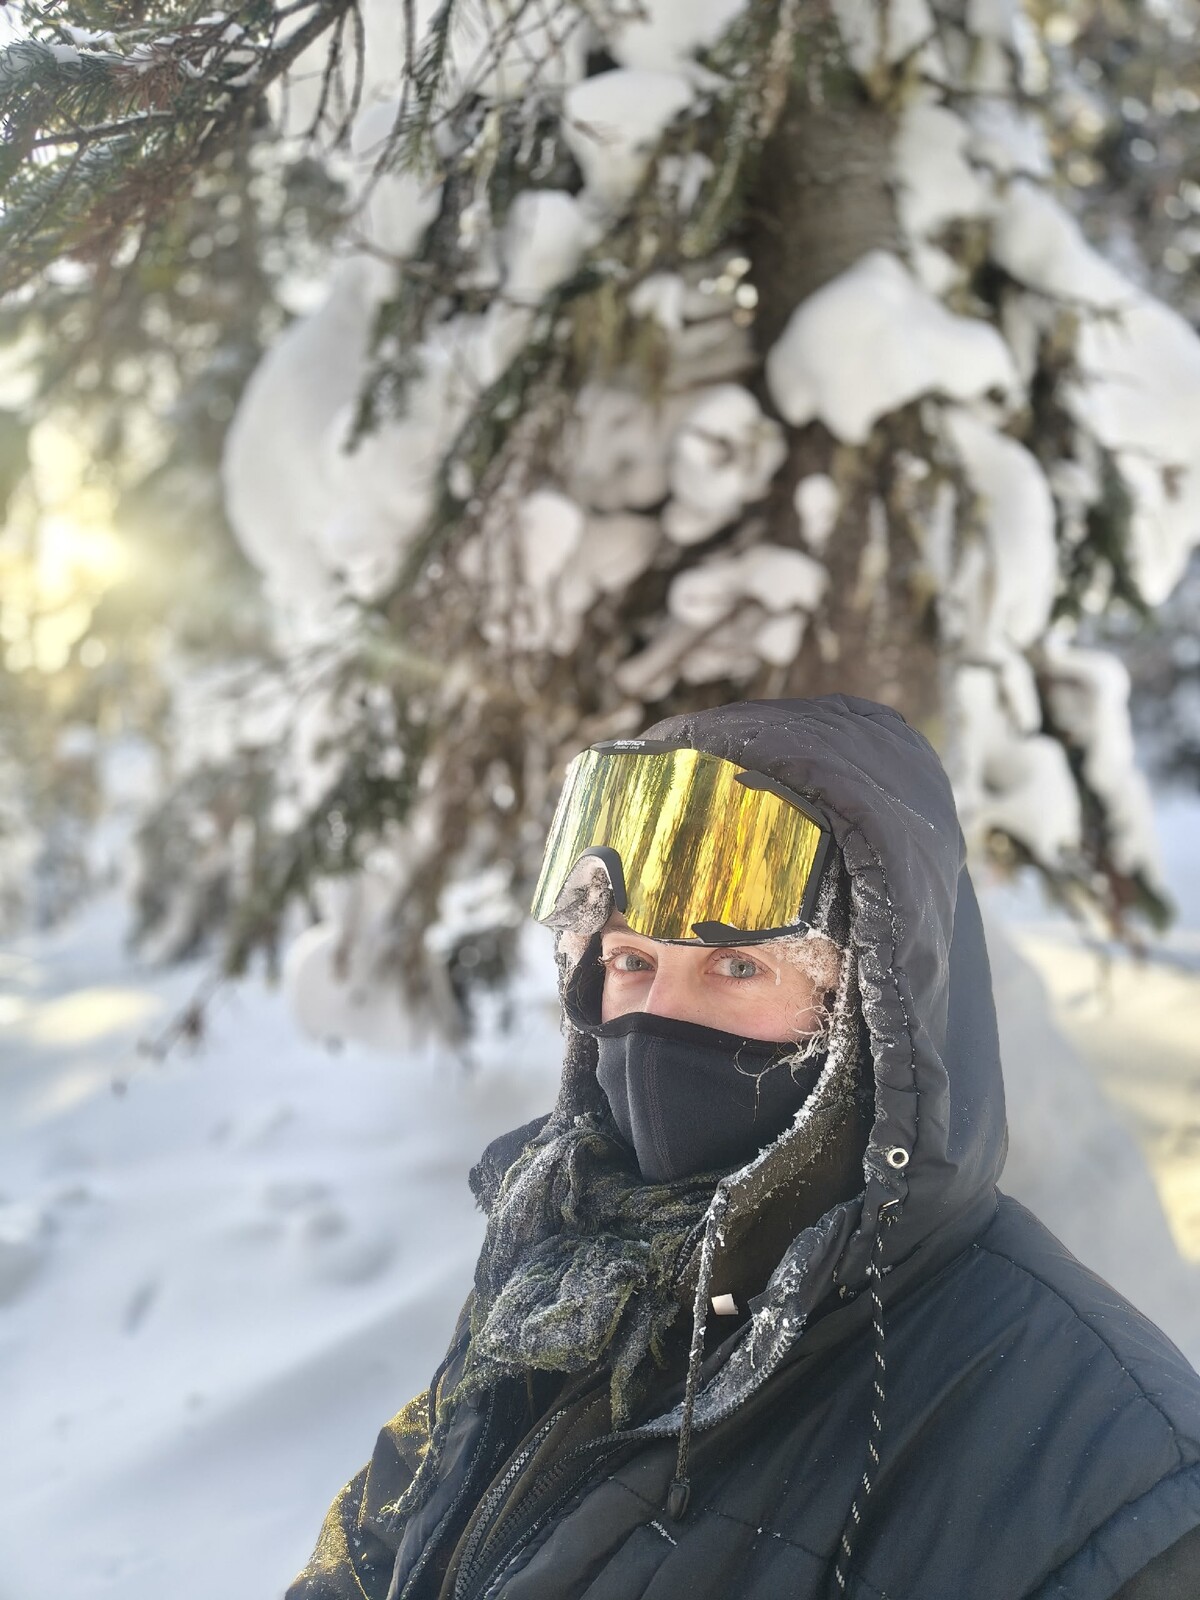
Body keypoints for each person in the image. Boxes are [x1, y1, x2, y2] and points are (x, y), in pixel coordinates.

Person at [288, 695, 1200, 1600]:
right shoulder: (562, 1272)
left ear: (874, 1011)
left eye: (738, 964)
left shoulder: (1120, 1480)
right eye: (631, 960)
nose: (657, 1019)